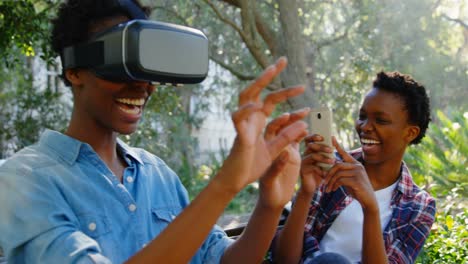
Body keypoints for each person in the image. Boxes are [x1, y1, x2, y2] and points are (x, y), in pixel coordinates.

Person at [0, 0, 311, 263]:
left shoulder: (157, 173)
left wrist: (270, 204)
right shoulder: (25, 180)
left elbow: (222, 258)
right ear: (74, 70)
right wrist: (224, 185)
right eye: (123, 64)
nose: (142, 85)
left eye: (147, 68)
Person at [272, 71, 436, 264]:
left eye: (381, 120)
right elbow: (283, 261)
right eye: (362, 116)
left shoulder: (419, 206)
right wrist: (306, 192)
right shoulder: (330, 168)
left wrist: (370, 208)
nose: (365, 126)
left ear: (410, 133)